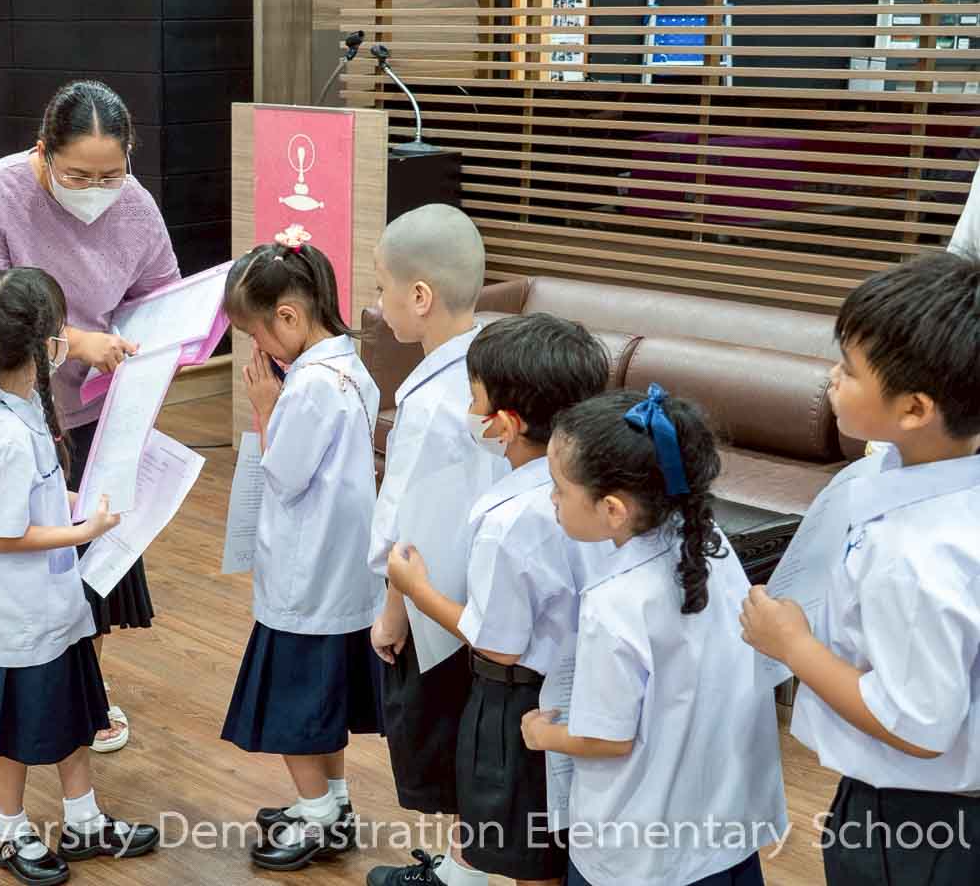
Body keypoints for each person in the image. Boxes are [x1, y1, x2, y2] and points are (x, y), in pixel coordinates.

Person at [0, 80, 180, 764]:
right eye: (77, 175)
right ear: (43, 152)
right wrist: (71, 341)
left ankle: (83, 694)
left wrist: (155, 341)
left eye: (112, 174)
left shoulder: (136, 205)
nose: (96, 190)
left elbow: (160, 292)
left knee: (88, 549)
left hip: (91, 404)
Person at [742, 252, 980, 885]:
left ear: (915, 409)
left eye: (848, 369)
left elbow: (916, 724)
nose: (831, 376)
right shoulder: (910, 481)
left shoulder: (916, 555)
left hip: (918, 821)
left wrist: (791, 644)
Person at [0, 267, 159, 886]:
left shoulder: (9, 402)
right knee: (15, 734)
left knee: (72, 717)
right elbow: (3, 534)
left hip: (45, 609)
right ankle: (8, 830)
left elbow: (25, 500)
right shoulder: (6, 432)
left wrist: (71, 501)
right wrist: (83, 531)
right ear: (43, 346)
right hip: (18, 617)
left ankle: (84, 819)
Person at [381, 313, 611, 886]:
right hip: (581, 683)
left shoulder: (509, 521)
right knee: (553, 842)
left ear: (504, 423)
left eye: (474, 398)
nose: (468, 410)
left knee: (528, 854)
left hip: (517, 700)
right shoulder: (599, 490)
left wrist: (416, 589)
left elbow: (497, 644)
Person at [534, 387, 787, 886]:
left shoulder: (614, 601)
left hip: (642, 850)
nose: (552, 499)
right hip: (722, 823)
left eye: (558, 488)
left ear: (613, 509)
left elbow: (606, 738)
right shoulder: (709, 544)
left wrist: (543, 735)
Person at [217, 228, 386, 872]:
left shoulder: (309, 385)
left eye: (256, 334)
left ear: (288, 317)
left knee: (293, 703)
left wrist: (266, 408)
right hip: (340, 569)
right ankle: (333, 802)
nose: (256, 350)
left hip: (307, 573)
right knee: (323, 700)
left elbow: (286, 475)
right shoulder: (349, 365)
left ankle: (316, 812)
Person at [362, 203, 507, 884]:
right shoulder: (490, 368)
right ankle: (464, 865)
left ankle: (463, 873)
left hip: (438, 600)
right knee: (473, 734)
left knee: (448, 735)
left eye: (381, 286)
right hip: (485, 593)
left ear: (419, 296)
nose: (376, 302)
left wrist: (393, 610)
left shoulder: (428, 403)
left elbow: (408, 524)